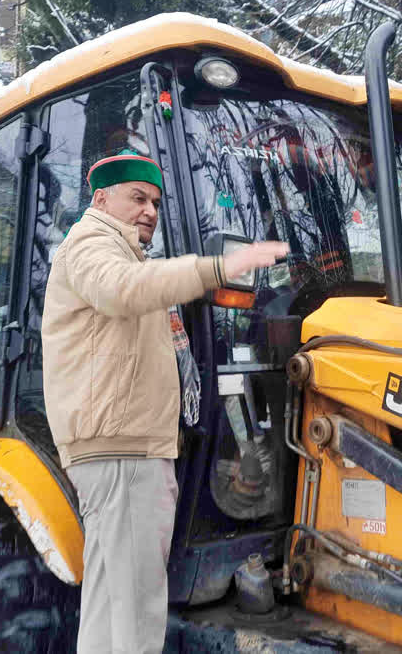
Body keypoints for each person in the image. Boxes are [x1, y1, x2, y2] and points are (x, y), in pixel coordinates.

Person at [41, 151, 287, 653]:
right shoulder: (90, 244)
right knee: (136, 611)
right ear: (101, 199)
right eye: (137, 198)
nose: (150, 210)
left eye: (155, 201)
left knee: (113, 605)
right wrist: (217, 267)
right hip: (123, 452)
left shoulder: (123, 253)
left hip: (127, 447)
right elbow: (125, 291)